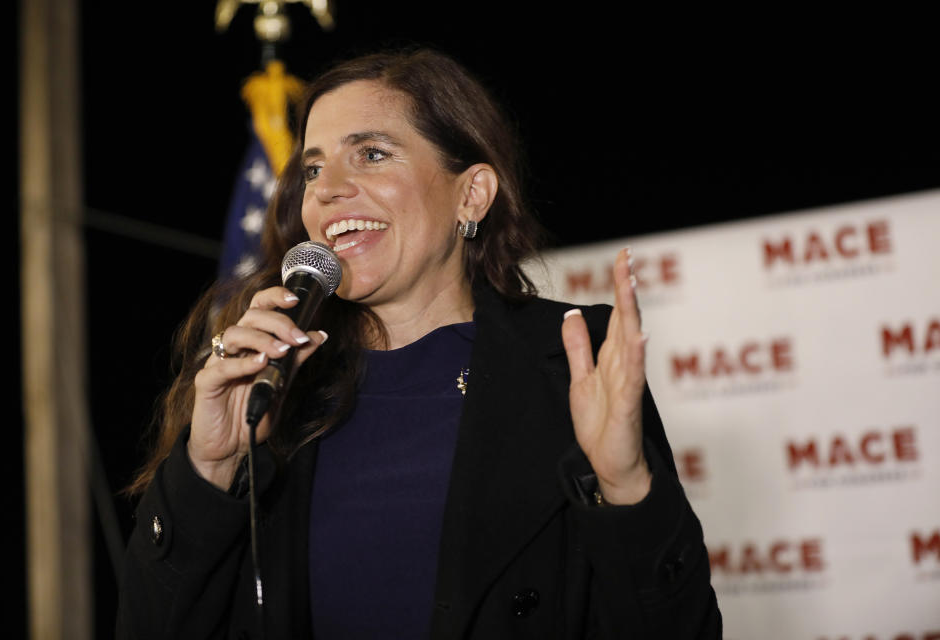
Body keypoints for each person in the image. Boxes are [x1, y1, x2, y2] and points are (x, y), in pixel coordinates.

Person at [117, 48, 721, 639]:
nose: (326, 190)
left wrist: (626, 491)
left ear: (472, 194)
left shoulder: (568, 359)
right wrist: (210, 467)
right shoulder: (272, 384)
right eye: (312, 168)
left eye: (372, 154)